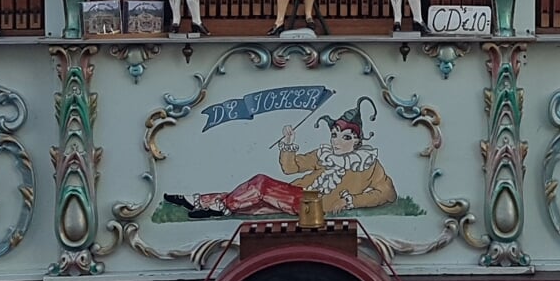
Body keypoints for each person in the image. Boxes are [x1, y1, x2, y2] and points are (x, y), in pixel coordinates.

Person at [169, 99, 396, 219]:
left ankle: (222, 206)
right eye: (334, 135)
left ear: (357, 140)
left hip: (314, 205)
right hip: (297, 196)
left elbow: (387, 193)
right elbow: (291, 168)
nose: (337, 141)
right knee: (253, 205)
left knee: (260, 184)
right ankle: (196, 200)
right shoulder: (324, 154)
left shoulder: (367, 163)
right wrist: (288, 143)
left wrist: (351, 201)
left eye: (345, 137)